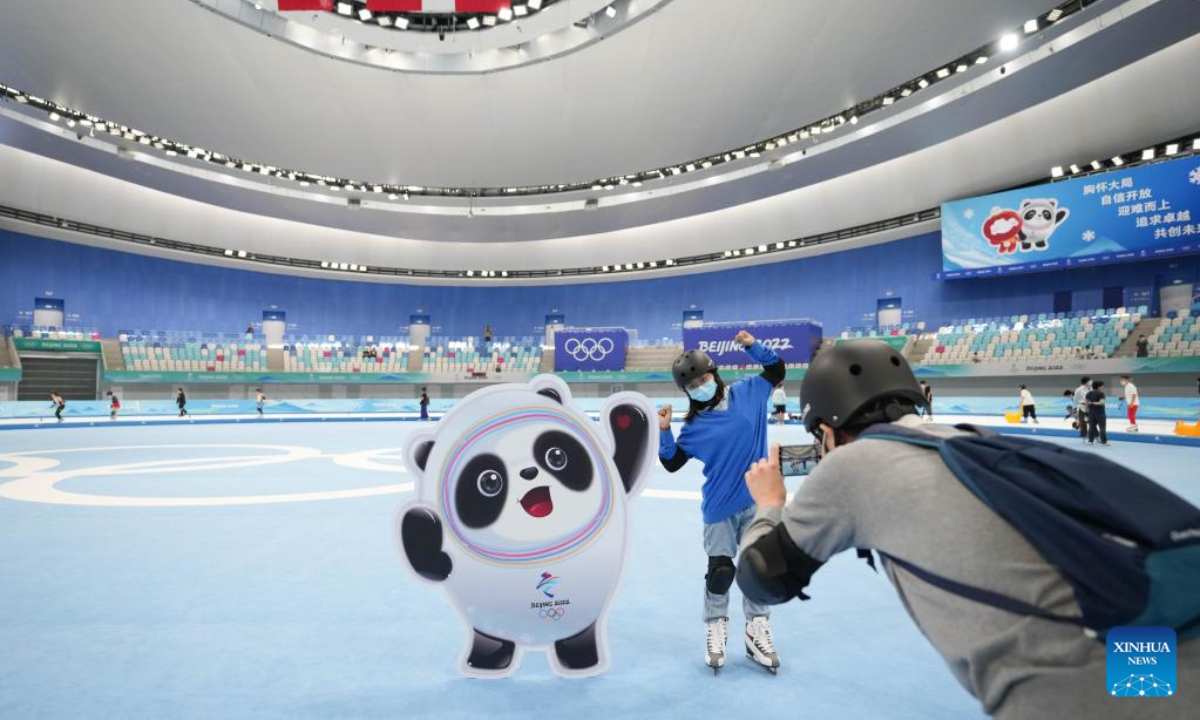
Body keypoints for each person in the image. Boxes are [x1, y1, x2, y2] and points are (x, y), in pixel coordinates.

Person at [733, 341, 1181, 719]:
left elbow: (763, 578)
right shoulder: (969, 438)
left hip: (1071, 687)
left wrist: (770, 504)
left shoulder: (852, 465)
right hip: (1152, 632)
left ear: (829, 429)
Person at [658, 330, 785, 673]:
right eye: (692, 384)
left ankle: (756, 630)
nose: (700, 385)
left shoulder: (750, 392)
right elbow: (671, 463)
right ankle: (715, 627)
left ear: (714, 372)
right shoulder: (694, 428)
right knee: (720, 573)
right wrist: (665, 430)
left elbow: (777, 370)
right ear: (686, 391)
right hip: (718, 507)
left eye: (703, 377)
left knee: (759, 569)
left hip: (757, 500)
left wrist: (751, 346)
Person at [1084, 380, 1108, 446]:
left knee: (1091, 427)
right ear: (1099, 387)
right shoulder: (1101, 393)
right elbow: (1101, 402)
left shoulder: (1089, 393)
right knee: (1102, 427)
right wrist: (1093, 403)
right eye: (1102, 386)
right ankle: (1104, 442)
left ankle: (1090, 441)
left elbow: (1086, 403)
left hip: (1091, 413)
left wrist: (1086, 411)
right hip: (1100, 413)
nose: (1103, 387)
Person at [1072, 376, 1091, 440]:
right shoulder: (1079, 389)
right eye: (1090, 381)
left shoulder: (1091, 388)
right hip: (1082, 407)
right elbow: (1075, 399)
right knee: (1082, 423)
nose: (1091, 382)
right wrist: (1080, 403)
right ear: (1087, 382)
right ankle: (1083, 437)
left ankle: (1094, 436)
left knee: (1092, 422)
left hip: (1090, 407)